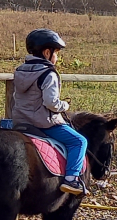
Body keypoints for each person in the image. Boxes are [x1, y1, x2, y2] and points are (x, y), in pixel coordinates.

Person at [13, 29, 89, 194]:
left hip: (21, 121)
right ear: (47, 52)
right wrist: (64, 106)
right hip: (44, 123)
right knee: (79, 141)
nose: (57, 57)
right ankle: (71, 180)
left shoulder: (20, 71)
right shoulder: (49, 74)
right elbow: (51, 103)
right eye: (56, 53)